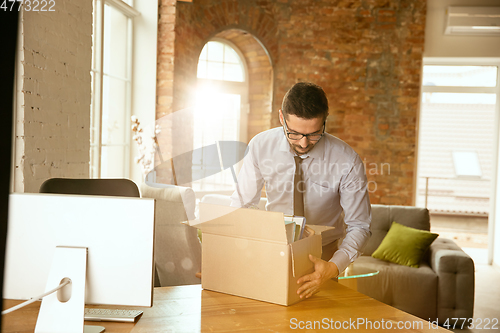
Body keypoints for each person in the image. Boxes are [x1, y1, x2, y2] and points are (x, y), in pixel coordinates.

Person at [230, 82, 371, 299]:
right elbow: (241, 205)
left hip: (324, 255)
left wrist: (333, 268)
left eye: (314, 134)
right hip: (272, 246)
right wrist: (227, 255)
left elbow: (360, 225)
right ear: (281, 118)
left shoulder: (347, 160)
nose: (304, 143)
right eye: (294, 133)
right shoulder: (260, 146)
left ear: (325, 121)